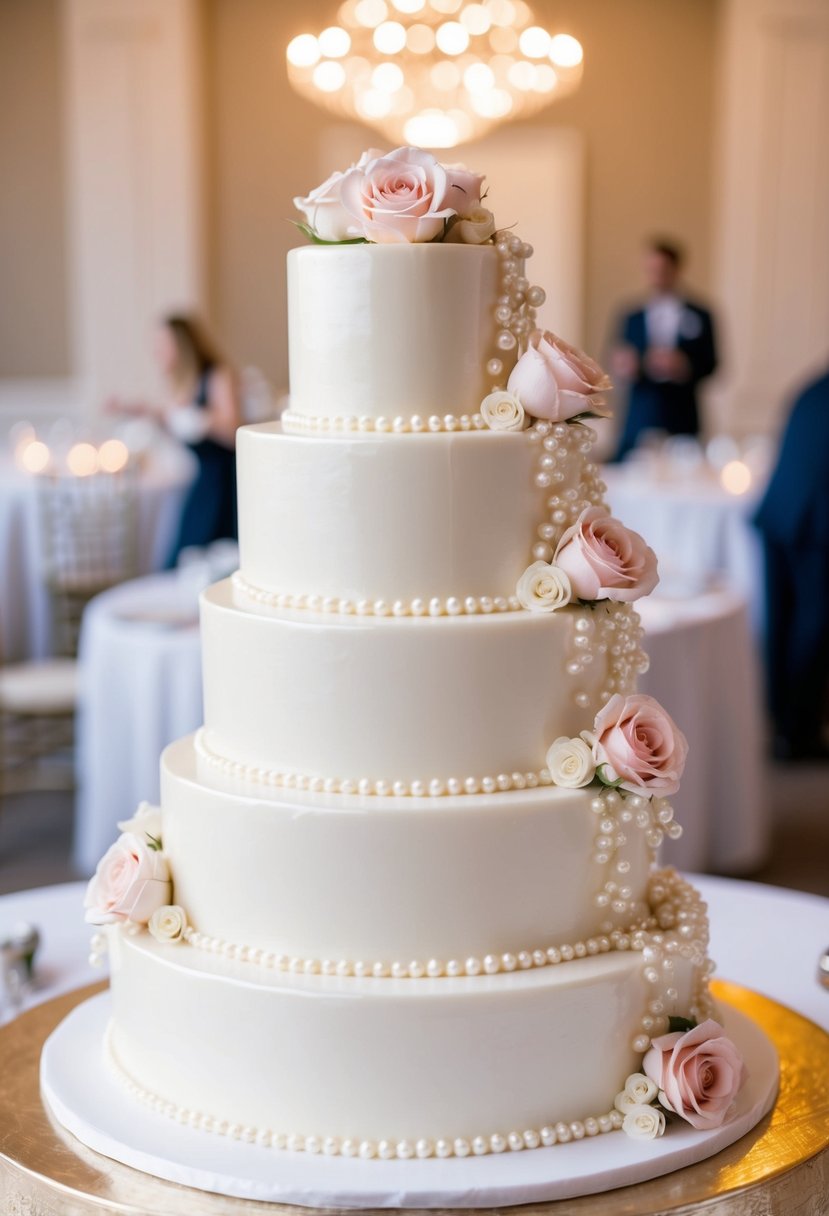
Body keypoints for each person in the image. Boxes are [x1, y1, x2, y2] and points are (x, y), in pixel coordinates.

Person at [108, 313, 241, 566]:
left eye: (163, 345)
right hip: (203, 480)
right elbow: (168, 417)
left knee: (213, 553)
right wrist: (129, 408)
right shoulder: (183, 383)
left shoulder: (216, 375)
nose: (158, 352)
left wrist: (201, 420)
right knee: (185, 555)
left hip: (225, 482)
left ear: (182, 345)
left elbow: (235, 430)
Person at [754, 369, 829, 760]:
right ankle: (797, 735)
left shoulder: (815, 384)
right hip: (813, 519)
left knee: (783, 621)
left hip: (784, 512)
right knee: (812, 628)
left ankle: (783, 723)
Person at [610, 239, 718, 461]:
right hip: (639, 416)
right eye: (652, 269)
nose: (656, 275)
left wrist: (685, 366)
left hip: (683, 417)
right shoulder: (631, 315)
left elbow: (713, 363)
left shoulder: (701, 313)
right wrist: (624, 367)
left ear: (677, 270)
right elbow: (616, 359)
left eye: (662, 269)